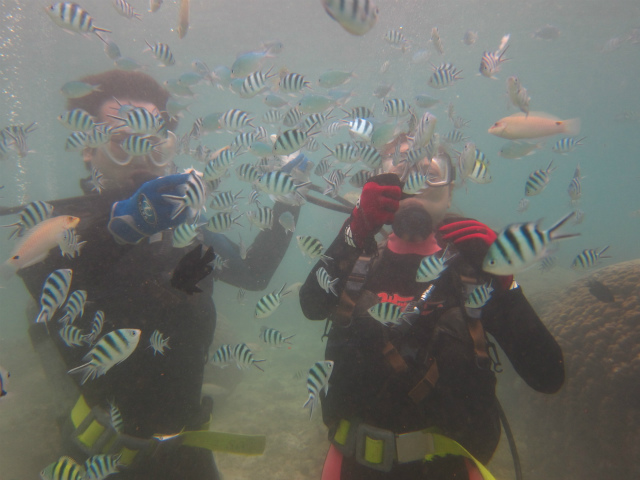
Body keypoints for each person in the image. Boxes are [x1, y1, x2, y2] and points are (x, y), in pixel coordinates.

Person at [16, 69, 303, 479]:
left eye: (153, 142)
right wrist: (119, 227)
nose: (141, 154)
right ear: (87, 148)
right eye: (123, 142)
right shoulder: (58, 231)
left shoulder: (186, 237)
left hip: (188, 454)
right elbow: (43, 273)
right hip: (100, 461)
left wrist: (289, 197)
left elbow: (254, 274)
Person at [299, 147, 565, 479]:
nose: (416, 185)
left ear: (450, 193)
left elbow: (548, 376)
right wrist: (353, 233)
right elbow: (311, 306)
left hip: (451, 470)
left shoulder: (473, 274)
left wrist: (505, 280)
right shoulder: (356, 261)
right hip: (352, 466)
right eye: (402, 175)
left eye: (431, 176)